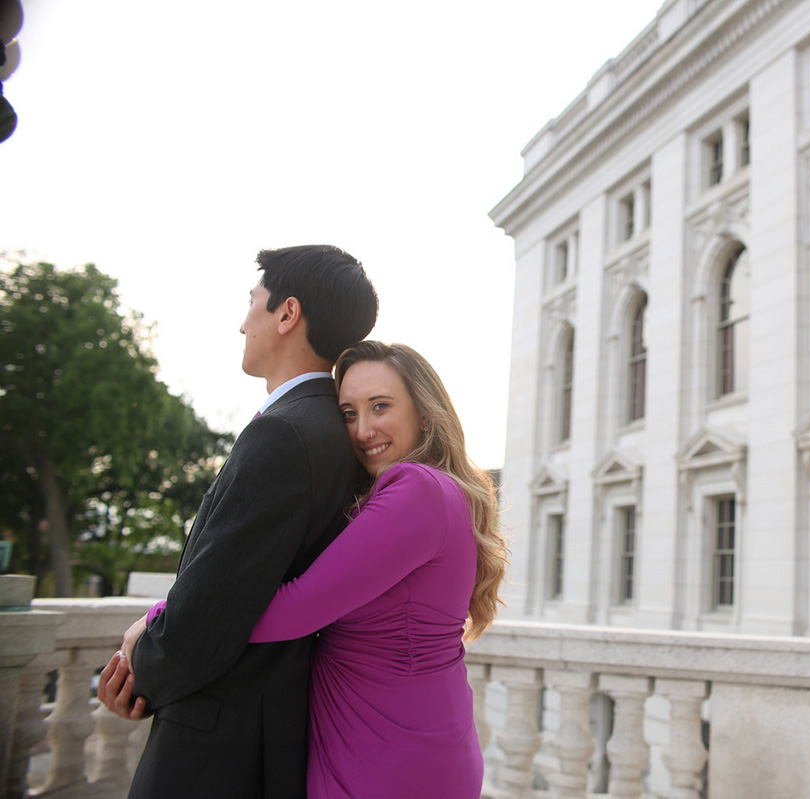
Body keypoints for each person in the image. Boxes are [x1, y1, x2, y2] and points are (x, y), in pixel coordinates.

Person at [126, 341, 509, 799]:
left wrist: (160, 620)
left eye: (380, 407)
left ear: (425, 414)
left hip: (393, 755)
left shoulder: (418, 489)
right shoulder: (429, 491)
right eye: (348, 413)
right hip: (381, 737)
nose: (363, 429)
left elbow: (294, 609)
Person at [98, 245, 378, 799]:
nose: (242, 321)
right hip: (269, 731)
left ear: (287, 313)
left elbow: (216, 603)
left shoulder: (285, 434)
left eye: (253, 302)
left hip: (219, 739)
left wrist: (139, 677)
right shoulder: (334, 432)